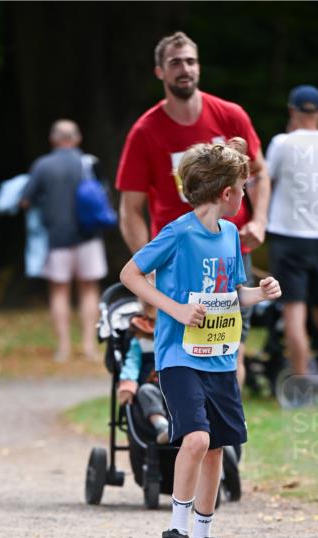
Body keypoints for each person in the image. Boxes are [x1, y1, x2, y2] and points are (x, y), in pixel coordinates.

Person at [120, 141, 281, 538]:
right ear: (227, 193)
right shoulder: (178, 232)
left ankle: (204, 537)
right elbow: (130, 273)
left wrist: (259, 294)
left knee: (216, 449)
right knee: (196, 439)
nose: (245, 196)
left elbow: (232, 294)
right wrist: (171, 308)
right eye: (243, 189)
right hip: (180, 355)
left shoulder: (230, 235)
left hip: (221, 358)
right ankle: (175, 531)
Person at [115, 30, 270, 387]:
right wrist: (148, 266)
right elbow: (130, 210)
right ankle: (188, 429)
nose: (184, 69)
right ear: (160, 72)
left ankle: (227, 440)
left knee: (231, 348)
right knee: (182, 349)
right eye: (174, 63)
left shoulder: (230, 115)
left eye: (190, 61)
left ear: (199, 66)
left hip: (230, 248)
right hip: (177, 258)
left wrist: (260, 221)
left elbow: (260, 174)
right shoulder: (146, 131)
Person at [265, 85, 318, 385]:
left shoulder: (282, 143)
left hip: (289, 236)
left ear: (292, 111)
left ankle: (300, 387)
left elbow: (264, 181)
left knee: (294, 314)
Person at [22, 120, 108, 363]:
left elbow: (26, 200)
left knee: (59, 292)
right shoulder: (89, 162)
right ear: (77, 138)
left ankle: (63, 349)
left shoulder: (42, 165)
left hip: (56, 238)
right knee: (89, 289)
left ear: (53, 139)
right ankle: (90, 347)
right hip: (89, 236)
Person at [117, 330, 169, 444]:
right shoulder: (141, 340)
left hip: (175, 386)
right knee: (146, 391)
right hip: (151, 387)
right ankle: (162, 426)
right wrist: (128, 384)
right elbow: (132, 363)